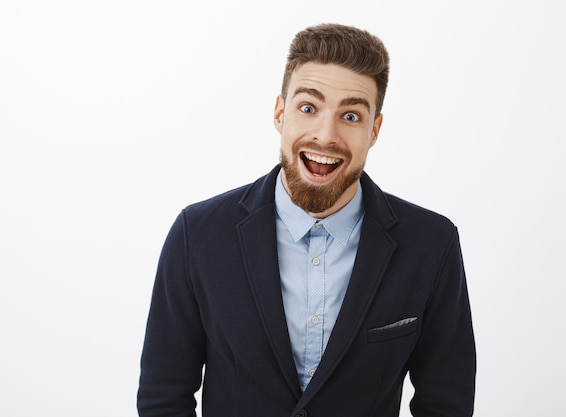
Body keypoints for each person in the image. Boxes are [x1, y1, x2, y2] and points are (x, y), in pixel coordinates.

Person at [137, 23, 476, 417]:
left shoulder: (432, 245)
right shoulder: (197, 234)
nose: (325, 135)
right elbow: (164, 397)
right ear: (281, 112)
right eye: (309, 108)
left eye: (350, 115)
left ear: (374, 130)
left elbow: (446, 403)